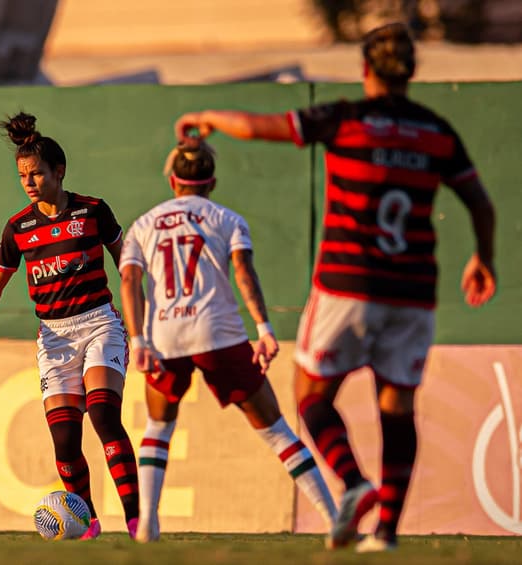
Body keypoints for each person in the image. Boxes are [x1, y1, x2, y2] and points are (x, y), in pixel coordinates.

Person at [173, 22, 496, 552]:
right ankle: (386, 531)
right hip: (413, 290)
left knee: (310, 396)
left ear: (365, 68)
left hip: (348, 283)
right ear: (412, 72)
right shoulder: (437, 130)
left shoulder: (346, 118)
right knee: (397, 406)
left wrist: (209, 118)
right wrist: (483, 257)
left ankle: (354, 482)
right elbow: (480, 202)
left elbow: (263, 127)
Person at [119, 141, 337, 543]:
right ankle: (334, 519)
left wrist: (138, 339)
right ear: (211, 182)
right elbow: (244, 274)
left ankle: (147, 522)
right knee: (276, 431)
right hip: (218, 332)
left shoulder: (144, 224)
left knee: (158, 426)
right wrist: (264, 328)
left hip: (165, 335)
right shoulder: (228, 219)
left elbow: (130, 281)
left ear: (172, 181)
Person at [0, 112, 139, 540]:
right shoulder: (18, 228)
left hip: (99, 325)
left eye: (36, 173)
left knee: (103, 414)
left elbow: (126, 261)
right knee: (64, 440)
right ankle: (89, 523)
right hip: (54, 337)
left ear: (59, 172)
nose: (29, 181)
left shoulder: (93, 211)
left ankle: (137, 522)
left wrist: (139, 313)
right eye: (23, 175)